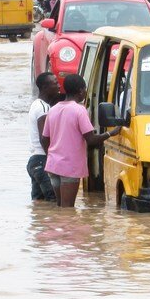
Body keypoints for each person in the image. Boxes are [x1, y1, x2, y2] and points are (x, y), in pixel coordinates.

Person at [40, 74, 120, 208]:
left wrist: (51, 155)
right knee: (68, 209)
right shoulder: (79, 110)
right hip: (69, 166)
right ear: (81, 91)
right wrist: (110, 133)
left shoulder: (53, 110)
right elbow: (91, 139)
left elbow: (44, 138)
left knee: (60, 206)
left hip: (53, 165)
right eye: (85, 89)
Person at [27, 72, 61, 202]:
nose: (59, 86)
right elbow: (44, 138)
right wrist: (52, 160)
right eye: (55, 83)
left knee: (39, 205)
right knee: (54, 203)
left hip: (35, 161)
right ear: (45, 87)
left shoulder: (36, 104)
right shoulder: (43, 108)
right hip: (42, 161)